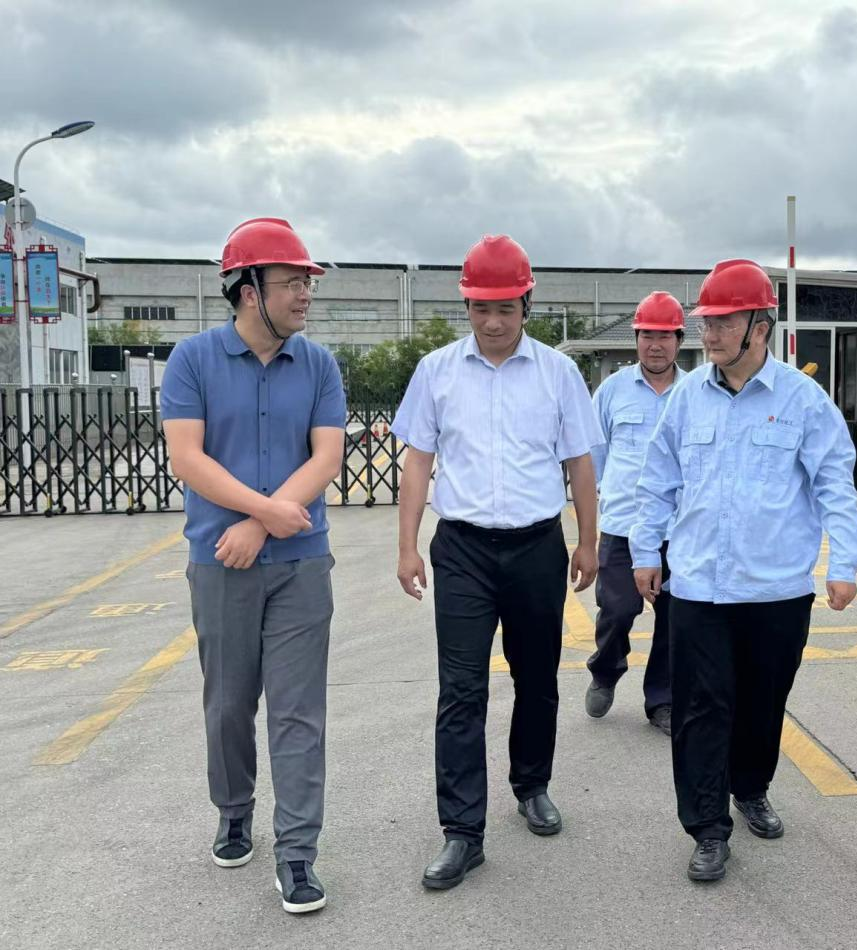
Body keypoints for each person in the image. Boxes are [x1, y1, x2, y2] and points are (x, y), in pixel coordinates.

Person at [629, 259, 857, 882]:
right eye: (705, 322)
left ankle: (751, 787)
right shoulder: (687, 398)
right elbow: (656, 481)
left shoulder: (802, 401)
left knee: (764, 701)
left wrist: (845, 562)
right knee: (700, 709)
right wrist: (645, 552)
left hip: (776, 588)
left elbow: (834, 485)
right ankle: (707, 827)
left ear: (760, 327)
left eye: (723, 323)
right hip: (698, 586)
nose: (708, 334)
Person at [392, 234, 604, 891]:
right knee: (461, 689)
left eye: (505, 309)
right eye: (481, 309)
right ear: (466, 307)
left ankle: (531, 785)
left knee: (536, 677)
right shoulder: (436, 371)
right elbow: (418, 462)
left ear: (526, 305)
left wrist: (588, 540)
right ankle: (462, 832)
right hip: (461, 550)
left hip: (536, 546)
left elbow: (579, 463)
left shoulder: (558, 374)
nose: (492, 322)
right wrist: (406, 546)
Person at [160, 217, 346, 914]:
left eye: (307, 283)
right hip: (221, 562)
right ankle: (234, 809)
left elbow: (327, 456)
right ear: (248, 290)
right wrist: (259, 514)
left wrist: (263, 522)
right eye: (292, 282)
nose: (304, 295)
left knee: (299, 713)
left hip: (300, 563)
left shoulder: (320, 365)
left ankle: (297, 854)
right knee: (229, 704)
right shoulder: (192, 360)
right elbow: (187, 457)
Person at [585, 291, 685, 735]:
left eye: (664, 336)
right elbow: (595, 452)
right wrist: (606, 493)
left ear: (679, 340)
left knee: (675, 621)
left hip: (678, 529)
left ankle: (662, 700)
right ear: (636, 339)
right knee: (617, 609)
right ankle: (605, 671)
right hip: (623, 526)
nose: (655, 345)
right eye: (647, 336)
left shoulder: (695, 391)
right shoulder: (612, 390)